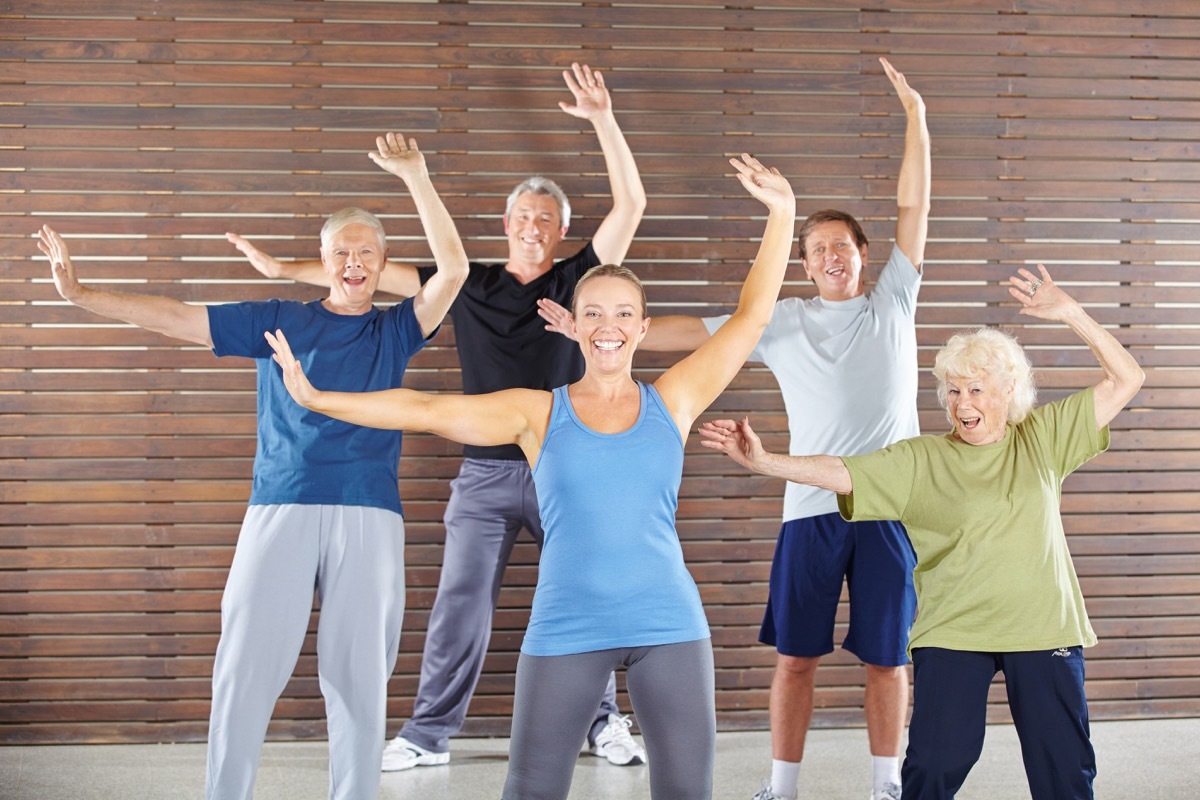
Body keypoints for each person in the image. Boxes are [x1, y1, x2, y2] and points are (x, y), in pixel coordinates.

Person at [263, 154, 795, 800]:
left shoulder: (674, 400)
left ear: (642, 328)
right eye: (594, 313)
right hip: (567, 626)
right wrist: (321, 399)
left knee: (687, 792)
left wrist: (783, 214)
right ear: (574, 322)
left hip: (670, 625)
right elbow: (427, 410)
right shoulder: (539, 413)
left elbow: (751, 320)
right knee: (531, 790)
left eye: (624, 314)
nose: (608, 327)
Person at [233, 62, 649, 770]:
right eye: (521, 217)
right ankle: (427, 733)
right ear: (506, 224)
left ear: (561, 231)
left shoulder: (579, 278)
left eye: (545, 219)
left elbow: (632, 205)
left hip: (565, 463)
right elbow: (361, 274)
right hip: (485, 473)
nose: (532, 227)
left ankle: (603, 721)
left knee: (589, 593)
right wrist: (281, 272)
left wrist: (604, 119)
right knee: (461, 606)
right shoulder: (467, 283)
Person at [538, 56, 927, 800]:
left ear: (865, 257)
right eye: (815, 250)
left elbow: (914, 206)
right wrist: (604, 331)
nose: (830, 258)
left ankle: (887, 786)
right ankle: (782, 788)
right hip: (809, 509)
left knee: (888, 659)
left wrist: (915, 117)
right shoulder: (781, 322)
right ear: (805, 263)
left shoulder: (894, 303)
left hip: (889, 507)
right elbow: (686, 332)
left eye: (842, 247)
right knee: (797, 659)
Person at [35, 132, 468, 800]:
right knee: (242, 669)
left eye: (366, 252)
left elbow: (456, 271)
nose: (353, 262)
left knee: (359, 679)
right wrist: (82, 294)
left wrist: (415, 176)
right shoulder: (279, 320)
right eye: (341, 251)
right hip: (281, 506)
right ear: (322, 261)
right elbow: (180, 318)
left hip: (369, 513)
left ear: (381, 264)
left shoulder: (395, 329)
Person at [699, 265, 1145, 800]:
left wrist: (1072, 313)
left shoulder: (1043, 439)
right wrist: (767, 461)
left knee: (1064, 771)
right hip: (954, 633)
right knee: (933, 767)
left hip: (1044, 629)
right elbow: (843, 470)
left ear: (1009, 390)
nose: (962, 404)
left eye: (976, 389)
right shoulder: (922, 459)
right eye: (953, 390)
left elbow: (1127, 378)